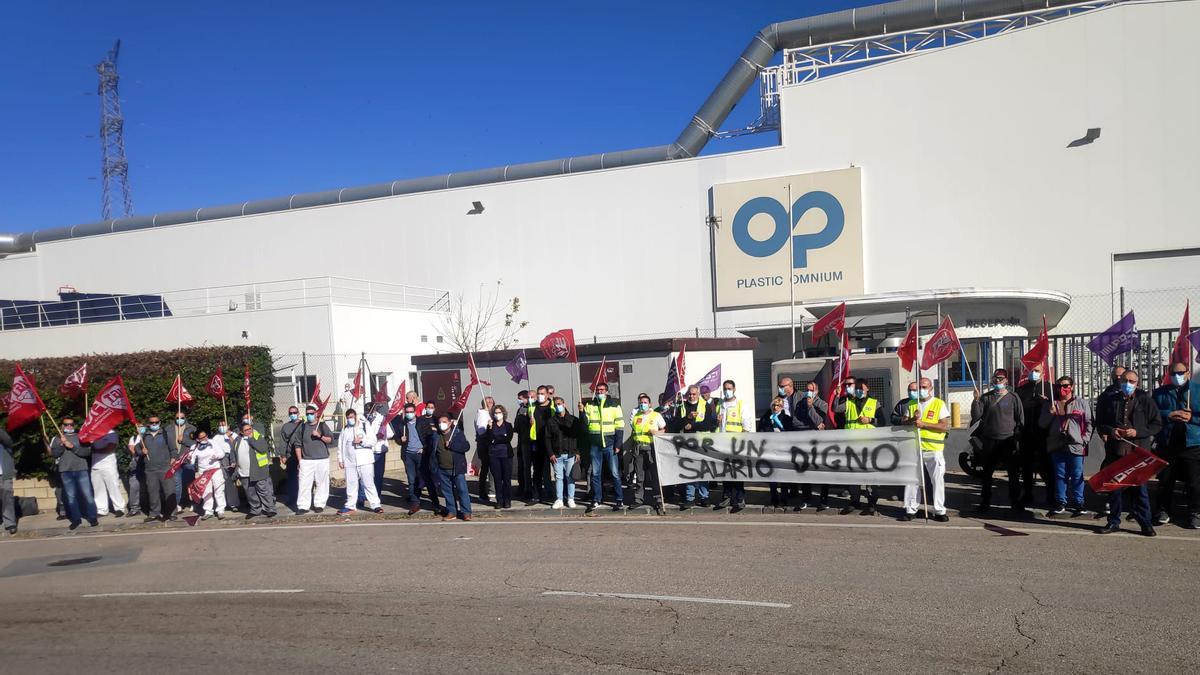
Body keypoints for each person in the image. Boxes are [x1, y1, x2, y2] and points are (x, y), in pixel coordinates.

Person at [1095, 369, 1162, 536]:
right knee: (1115, 489)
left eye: (1131, 381)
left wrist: (1137, 432)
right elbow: (1100, 423)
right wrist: (1111, 431)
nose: (1127, 384)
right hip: (1116, 451)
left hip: (1137, 453)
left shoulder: (1145, 400)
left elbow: (1157, 424)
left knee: (1140, 490)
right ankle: (1113, 522)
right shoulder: (1109, 400)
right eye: (1125, 381)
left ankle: (1145, 523)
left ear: (1137, 383)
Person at [971, 368, 1029, 516]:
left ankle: (1015, 502)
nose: (998, 381)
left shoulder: (1013, 397)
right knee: (987, 473)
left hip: (1008, 441)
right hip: (990, 440)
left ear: (1006, 380)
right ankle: (985, 502)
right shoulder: (986, 397)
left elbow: (1020, 420)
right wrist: (975, 400)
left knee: (1013, 474)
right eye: (996, 378)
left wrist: (1018, 438)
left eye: (1001, 378)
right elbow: (977, 416)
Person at [1152, 362, 1199, 529]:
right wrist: (1170, 414)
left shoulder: (1197, 390)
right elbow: (1153, 414)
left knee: (1194, 481)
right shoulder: (1159, 393)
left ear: (1187, 373)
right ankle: (1163, 511)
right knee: (1165, 480)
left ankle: (1195, 512)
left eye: (1180, 372)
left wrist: (1191, 418)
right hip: (1167, 443)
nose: (1177, 376)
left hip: (1192, 443)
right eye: (1173, 373)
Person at [1039, 376, 1092, 518]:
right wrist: (1050, 414)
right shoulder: (1051, 404)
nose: (1062, 388)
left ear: (1072, 386)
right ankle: (1061, 502)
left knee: (1077, 475)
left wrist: (1084, 440)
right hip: (1057, 445)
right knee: (1060, 475)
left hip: (1076, 445)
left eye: (1066, 385)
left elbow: (1089, 423)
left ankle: (1079, 503)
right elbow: (1042, 424)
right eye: (1059, 386)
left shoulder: (1081, 403)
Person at [900, 378, 951, 522]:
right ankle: (910, 509)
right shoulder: (911, 404)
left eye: (924, 387)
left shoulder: (938, 404)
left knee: (937, 480)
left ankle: (939, 510)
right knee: (912, 480)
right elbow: (904, 422)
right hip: (914, 448)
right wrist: (912, 419)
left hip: (933, 449)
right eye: (918, 388)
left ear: (930, 389)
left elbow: (944, 426)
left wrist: (924, 424)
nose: (920, 390)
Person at [582, 382, 625, 511]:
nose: (600, 392)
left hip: (610, 444)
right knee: (595, 474)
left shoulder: (614, 405)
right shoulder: (589, 405)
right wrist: (581, 413)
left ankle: (619, 500)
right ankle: (597, 499)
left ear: (607, 391)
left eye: (602, 390)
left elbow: (620, 426)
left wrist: (618, 444)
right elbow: (585, 424)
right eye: (598, 390)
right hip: (595, 445)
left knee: (614, 473)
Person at [670, 385, 715, 509]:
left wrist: (692, 426)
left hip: (702, 442)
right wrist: (687, 418)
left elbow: (707, 424)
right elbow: (676, 424)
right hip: (687, 443)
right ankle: (690, 498)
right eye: (690, 394)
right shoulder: (682, 406)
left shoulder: (705, 405)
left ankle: (704, 497)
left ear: (698, 394)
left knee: (703, 471)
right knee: (689, 470)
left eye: (694, 394)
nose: (692, 396)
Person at [50, 416, 98, 531]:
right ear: (62, 426)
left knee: (87, 494)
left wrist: (72, 447)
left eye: (71, 424)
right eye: (66, 425)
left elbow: (87, 452)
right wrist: (61, 445)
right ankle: (76, 519)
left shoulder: (81, 437)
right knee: (71, 497)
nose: (69, 426)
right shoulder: (57, 438)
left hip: (81, 469)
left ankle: (92, 517)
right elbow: (55, 454)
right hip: (65, 471)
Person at [841, 378, 880, 516]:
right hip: (852, 445)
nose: (858, 391)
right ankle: (855, 500)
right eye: (856, 388)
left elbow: (883, 421)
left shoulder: (874, 403)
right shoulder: (848, 402)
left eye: (861, 388)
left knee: (870, 476)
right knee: (854, 475)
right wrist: (839, 394)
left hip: (869, 445)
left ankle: (871, 502)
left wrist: (870, 420)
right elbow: (835, 408)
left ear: (867, 389)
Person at [1016, 364, 1054, 508]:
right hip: (1026, 434)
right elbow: (1016, 408)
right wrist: (1024, 405)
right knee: (1026, 467)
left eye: (1037, 371)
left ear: (1043, 372)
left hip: (1044, 435)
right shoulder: (1021, 389)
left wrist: (1045, 403)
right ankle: (1027, 494)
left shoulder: (1050, 388)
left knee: (1046, 467)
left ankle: (1051, 496)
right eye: (1031, 371)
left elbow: (1057, 407)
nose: (1034, 373)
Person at [130, 415, 178, 522]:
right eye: (152, 422)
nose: (154, 424)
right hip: (150, 469)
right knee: (153, 492)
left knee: (169, 491)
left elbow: (173, 449)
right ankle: (154, 513)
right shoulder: (144, 436)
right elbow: (137, 448)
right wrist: (141, 452)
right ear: (148, 424)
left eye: (156, 422)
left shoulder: (166, 434)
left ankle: (172, 512)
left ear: (160, 422)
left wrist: (173, 458)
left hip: (165, 468)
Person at [395, 402, 439, 515]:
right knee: (411, 480)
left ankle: (435, 503)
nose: (409, 414)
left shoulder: (422, 422)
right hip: (408, 455)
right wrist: (401, 440)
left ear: (415, 412)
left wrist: (425, 449)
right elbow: (397, 438)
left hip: (421, 454)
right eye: (407, 412)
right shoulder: (402, 424)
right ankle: (415, 503)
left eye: (411, 412)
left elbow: (430, 437)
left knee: (426, 479)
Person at [337, 408, 383, 514]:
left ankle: (375, 505)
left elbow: (373, 441)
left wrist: (362, 441)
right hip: (350, 462)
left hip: (365, 460)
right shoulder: (345, 429)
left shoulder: (365, 426)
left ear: (356, 416)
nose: (350, 419)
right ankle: (350, 505)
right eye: (348, 418)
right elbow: (341, 445)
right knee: (351, 484)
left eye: (352, 417)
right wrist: (341, 459)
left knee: (368, 483)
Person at [627, 392, 666, 513]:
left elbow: (664, 429)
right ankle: (639, 499)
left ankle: (658, 499)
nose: (643, 404)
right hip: (639, 448)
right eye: (641, 403)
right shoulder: (636, 416)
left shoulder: (656, 415)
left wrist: (656, 433)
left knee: (654, 475)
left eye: (645, 403)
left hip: (651, 448)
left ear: (650, 404)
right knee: (640, 476)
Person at [715, 380, 751, 512]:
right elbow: (718, 426)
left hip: (736, 444)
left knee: (737, 472)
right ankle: (727, 496)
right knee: (725, 472)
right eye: (725, 388)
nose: (726, 391)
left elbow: (747, 426)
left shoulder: (741, 404)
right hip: (723, 444)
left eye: (729, 388)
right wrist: (716, 420)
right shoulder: (720, 404)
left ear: (734, 389)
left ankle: (740, 498)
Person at [293, 404, 333, 515]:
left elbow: (330, 439)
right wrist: (300, 460)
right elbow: (297, 444)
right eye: (307, 414)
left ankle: (319, 504)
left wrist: (319, 436)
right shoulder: (302, 427)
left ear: (316, 413)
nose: (309, 415)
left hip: (322, 459)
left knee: (322, 483)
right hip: (307, 460)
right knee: (304, 483)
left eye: (311, 413)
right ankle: (303, 506)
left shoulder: (322, 425)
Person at [433, 414, 472, 521]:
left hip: (457, 468)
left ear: (450, 423)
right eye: (440, 422)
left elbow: (466, 447)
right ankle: (452, 512)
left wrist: (452, 445)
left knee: (462, 490)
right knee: (447, 492)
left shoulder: (457, 434)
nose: (442, 424)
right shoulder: (436, 436)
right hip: (442, 469)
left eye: (444, 422)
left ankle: (466, 512)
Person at [234, 421, 276, 519]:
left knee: (263, 491)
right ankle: (255, 509)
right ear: (241, 432)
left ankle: (270, 509)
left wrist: (251, 439)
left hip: (257, 470)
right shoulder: (237, 440)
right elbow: (234, 452)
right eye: (246, 430)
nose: (249, 431)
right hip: (243, 471)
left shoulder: (257, 437)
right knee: (250, 492)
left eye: (250, 429)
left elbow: (262, 449)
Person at [761, 397, 794, 511]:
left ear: (782, 407)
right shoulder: (765, 418)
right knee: (772, 475)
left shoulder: (787, 418)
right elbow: (761, 432)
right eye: (774, 405)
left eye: (778, 406)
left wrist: (779, 424)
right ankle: (774, 497)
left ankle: (784, 498)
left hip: (783, 449)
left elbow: (790, 433)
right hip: (770, 449)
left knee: (783, 475)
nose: (775, 408)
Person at [548, 397, 581, 509]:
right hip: (557, 455)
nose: (558, 406)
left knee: (570, 477)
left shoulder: (573, 420)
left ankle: (571, 499)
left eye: (560, 404)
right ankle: (559, 499)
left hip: (570, 454)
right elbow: (547, 438)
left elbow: (578, 437)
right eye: (556, 404)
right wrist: (551, 453)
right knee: (559, 478)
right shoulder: (551, 421)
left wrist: (577, 452)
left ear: (564, 404)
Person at [480, 404, 514, 509]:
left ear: (503, 414)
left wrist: (496, 439)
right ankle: (499, 501)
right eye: (495, 413)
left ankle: (507, 500)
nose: (497, 415)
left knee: (507, 479)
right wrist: (490, 429)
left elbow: (508, 438)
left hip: (506, 454)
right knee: (497, 479)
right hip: (494, 455)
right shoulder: (491, 425)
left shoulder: (508, 425)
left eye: (499, 412)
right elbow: (489, 439)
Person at [190, 430, 227, 520]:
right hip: (204, 472)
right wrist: (190, 458)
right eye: (202, 437)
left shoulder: (213, 443)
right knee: (207, 492)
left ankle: (220, 510)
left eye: (205, 436)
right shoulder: (195, 447)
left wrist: (216, 456)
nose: (204, 438)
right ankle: (208, 511)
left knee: (219, 489)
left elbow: (222, 453)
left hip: (215, 470)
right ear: (198, 439)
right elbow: (192, 461)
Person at [89, 430, 126, 518]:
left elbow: (111, 447)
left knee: (113, 486)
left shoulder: (111, 433)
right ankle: (102, 510)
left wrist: (95, 449)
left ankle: (119, 508)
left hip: (108, 463)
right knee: (98, 488)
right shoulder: (92, 433)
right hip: (95, 464)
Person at [528, 386, 555, 504]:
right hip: (537, 442)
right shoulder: (533, 407)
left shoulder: (553, 407)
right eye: (538, 393)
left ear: (547, 395)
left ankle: (557, 494)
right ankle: (537, 495)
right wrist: (529, 421)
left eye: (542, 393)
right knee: (538, 471)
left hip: (552, 443)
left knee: (557, 471)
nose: (540, 396)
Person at [167, 411, 198, 511]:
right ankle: (177, 504)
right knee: (176, 484)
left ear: (185, 418)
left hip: (187, 460)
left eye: (182, 417)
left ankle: (193, 502)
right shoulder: (168, 429)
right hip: (175, 460)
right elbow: (166, 445)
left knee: (190, 483)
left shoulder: (192, 428)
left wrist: (184, 440)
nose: (179, 419)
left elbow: (196, 443)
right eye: (177, 418)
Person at [209, 420, 239, 513]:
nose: (222, 426)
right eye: (220, 425)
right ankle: (222, 504)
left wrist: (230, 438)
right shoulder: (216, 437)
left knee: (230, 482)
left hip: (231, 458)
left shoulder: (233, 435)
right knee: (221, 483)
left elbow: (237, 446)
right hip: (220, 460)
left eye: (224, 425)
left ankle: (234, 503)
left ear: (228, 426)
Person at [278, 405, 304, 508]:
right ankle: (293, 498)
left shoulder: (304, 425)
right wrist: (282, 455)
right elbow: (283, 441)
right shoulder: (285, 427)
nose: (293, 414)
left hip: (303, 455)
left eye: (294, 412)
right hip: (290, 456)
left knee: (303, 478)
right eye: (291, 413)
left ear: (298, 413)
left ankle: (304, 498)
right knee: (292, 478)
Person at [474, 396, 497, 503]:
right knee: (486, 468)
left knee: (493, 467)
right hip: (484, 444)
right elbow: (481, 431)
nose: (490, 403)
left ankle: (493, 490)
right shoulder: (481, 414)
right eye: (487, 401)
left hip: (494, 443)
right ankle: (484, 492)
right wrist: (489, 427)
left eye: (491, 401)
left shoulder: (494, 413)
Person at [366, 403, 391, 501]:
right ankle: (367, 495)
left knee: (378, 475)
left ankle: (377, 494)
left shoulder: (382, 419)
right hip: (368, 451)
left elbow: (390, 434)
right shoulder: (363, 420)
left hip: (379, 450)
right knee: (367, 475)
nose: (369, 412)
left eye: (370, 410)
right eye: (367, 410)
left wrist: (382, 434)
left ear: (375, 410)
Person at [514, 390, 532, 500]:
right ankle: (522, 487)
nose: (519, 400)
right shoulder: (520, 409)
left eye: (520, 398)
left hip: (529, 441)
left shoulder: (531, 409)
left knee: (528, 467)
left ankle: (529, 489)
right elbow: (516, 425)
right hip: (521, 440)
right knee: (522, 466)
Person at [1, 427, 16, 534]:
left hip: (4, 472)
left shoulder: (3, 440)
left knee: (7, 496)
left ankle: (10, 523)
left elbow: (9, 441)